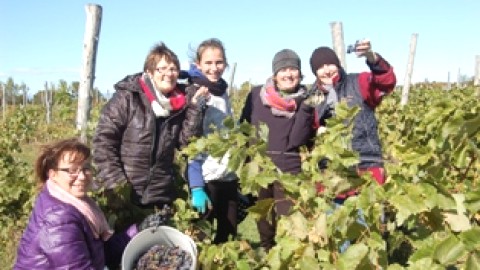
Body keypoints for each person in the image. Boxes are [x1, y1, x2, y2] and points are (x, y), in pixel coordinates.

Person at [92, 42, 206, 229]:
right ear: (149, 72)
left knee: (153, 254)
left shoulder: (179, 105)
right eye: (162, 68)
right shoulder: (127, 98)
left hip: (159, 196)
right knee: (119, 251)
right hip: (123, 195)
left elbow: (186, 144)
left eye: (173, 69)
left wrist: (194, 109)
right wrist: (118, 187)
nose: (168, 73)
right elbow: (103, 143)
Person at [14, 138, 137, 270]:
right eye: (72, 170)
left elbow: (101, 253)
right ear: (53, 174)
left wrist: (138, 230)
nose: (82, 176)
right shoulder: (59, 218)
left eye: (86, 168)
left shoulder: (77, 204)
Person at [239, 49, 318, 250]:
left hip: (289, 168)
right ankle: (268, 251)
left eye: (293, 69)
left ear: (300, 74)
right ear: (275, 74)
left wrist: (307, 109)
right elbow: (243, 127)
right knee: (262, 215)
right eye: (283, 69)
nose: (289, 74)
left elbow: (297, 140)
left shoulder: (306, 99)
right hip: (260, 167)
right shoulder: (256, 94)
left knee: (290, 217)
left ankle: (289, 255)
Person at [309, 39, 396, 199]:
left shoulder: (358, 83)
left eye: (330, 64)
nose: (326, 70)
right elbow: (305, 133)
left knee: (368, 220)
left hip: (366, 171)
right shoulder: (312, 98)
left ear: (338, 64)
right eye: (320, 67)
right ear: (315, 72)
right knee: (334, 222)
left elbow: (386, 83)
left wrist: (371, 57)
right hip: (331, 176)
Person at [185, 38, 239, 244]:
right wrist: (197, 187)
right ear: (198, 65)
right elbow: (191, 141)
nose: (214, 68)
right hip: (206, 178)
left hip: (228, 176)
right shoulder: (196, 91)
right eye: (208, 63)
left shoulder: (222, 90)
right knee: (201, 238)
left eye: (219, 62)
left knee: (229, 236)